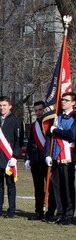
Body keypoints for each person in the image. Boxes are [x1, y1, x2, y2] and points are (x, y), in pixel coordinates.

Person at [44, 92, 76, 225]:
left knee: (68, 188)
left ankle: (69, 214)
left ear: (73, 103)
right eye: (62, 100)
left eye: (67, 100)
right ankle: (60, 213)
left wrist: (56, 130)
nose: (63, 102)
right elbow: (49, 137)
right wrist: (47, 154)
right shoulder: (57, 117)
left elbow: (72, 135)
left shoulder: (74, 117)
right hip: (56, 156)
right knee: (57, 187)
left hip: (68, 157)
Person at [25, 101, 48, 221]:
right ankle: (38, 211)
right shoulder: (34, 126)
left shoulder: (49, 123)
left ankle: (49, 211)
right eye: (36, 110)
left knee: (50, 187)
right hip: (35, 160)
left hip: (46, 160)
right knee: (38, 187)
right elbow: (30, 143)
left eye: (40, 110)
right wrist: (28, 157)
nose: (38, 112)